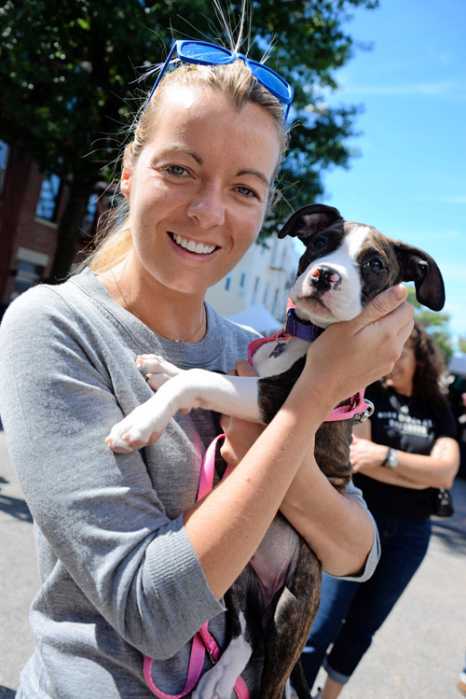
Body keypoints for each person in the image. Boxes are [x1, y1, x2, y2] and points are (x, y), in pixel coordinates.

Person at [0, 24, 414, 699]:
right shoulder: (56, 327)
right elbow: (151, 612)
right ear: (129, 170)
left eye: (245, 189)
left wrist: (285, 423)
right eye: (180, 169)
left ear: (266, 209)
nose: (207, 211)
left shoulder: (252, 349)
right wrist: (309, 399)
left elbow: (355, 551)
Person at [301, 322, 460, 699]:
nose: (393, 357)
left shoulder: (437, 409)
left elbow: (446, 472)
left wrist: (386, 457)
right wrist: (420, 474)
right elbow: (359, 457)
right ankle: (294, 692)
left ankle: (329, 696)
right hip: (357, 522)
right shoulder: (370, 393)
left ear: (420, 358)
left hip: (411, 535)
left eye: (403, 350)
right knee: (320, 625)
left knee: (362, 629)